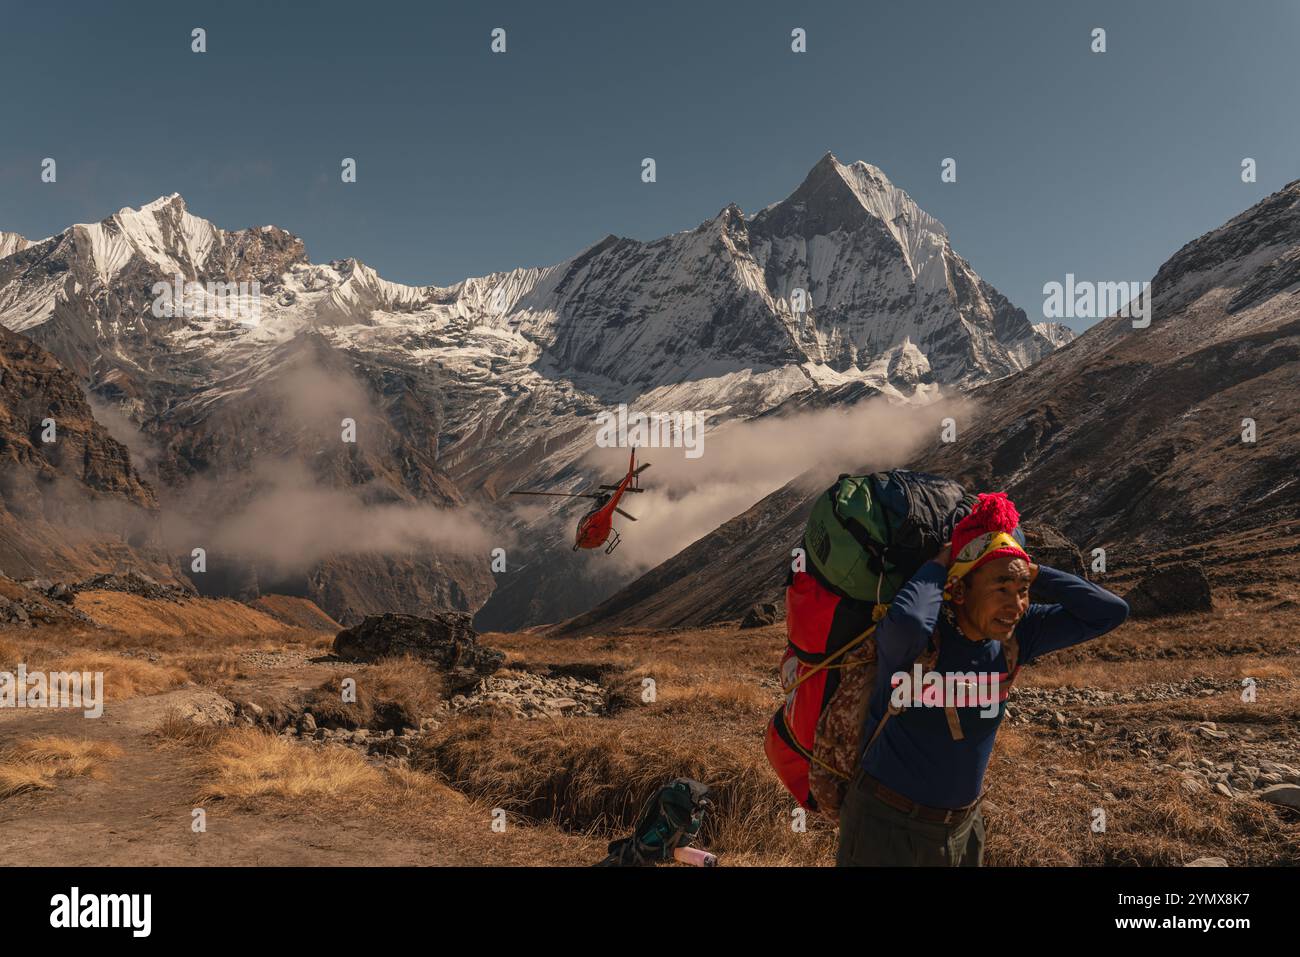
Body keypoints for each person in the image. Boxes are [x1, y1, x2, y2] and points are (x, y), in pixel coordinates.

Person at [835, 492, 1128, 866]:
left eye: (1022, 593)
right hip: (887, 826)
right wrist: (941, 562)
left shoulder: (1017, 636)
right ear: (958, 590)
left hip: (963, 828)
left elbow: (1110, 612)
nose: (1016, 606)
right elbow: (908, 620)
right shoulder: (919, 640)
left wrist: (1029, 570)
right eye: (1001, 589)